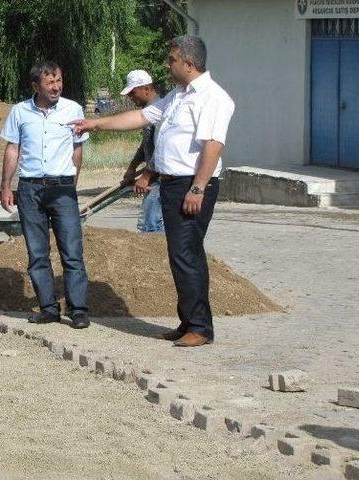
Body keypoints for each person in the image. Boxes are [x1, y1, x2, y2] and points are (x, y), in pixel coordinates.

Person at [72, 36, 235, 347]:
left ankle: (200, 328)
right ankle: (188, 321)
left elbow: (213, 146)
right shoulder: (178, 95)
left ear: (189, 63)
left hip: (192, 184)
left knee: (186, 254)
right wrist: (96, 124)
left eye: (172, 59)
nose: (167, 64)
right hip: (174, 184)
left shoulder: (213, 98)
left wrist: (198, 188)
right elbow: (141, 117)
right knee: (182, 254)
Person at [0, 60, 91, 329]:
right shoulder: (19, 112)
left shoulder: (73, 109)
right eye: (50, 82)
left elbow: (77, 148)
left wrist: (73, 181)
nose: (56, 86)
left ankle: (78, 310)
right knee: (37, 253)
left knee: (72, 251)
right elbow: (13, 149)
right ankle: (48, 308)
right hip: (30, 189)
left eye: (59, 81)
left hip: (63, 188)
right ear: (35, 86)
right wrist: (6, 186)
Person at [119, 70, 165, 233]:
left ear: (146, 89)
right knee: (149, 221)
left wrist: (145, 177)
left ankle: (159, 257)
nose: (131, 97)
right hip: (153, 176)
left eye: (133, 92)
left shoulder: (159, 111)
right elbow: (145, 145)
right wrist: (132, 168)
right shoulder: (148, 112)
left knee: (150, 223)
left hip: (161, 178)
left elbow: (161, 149)